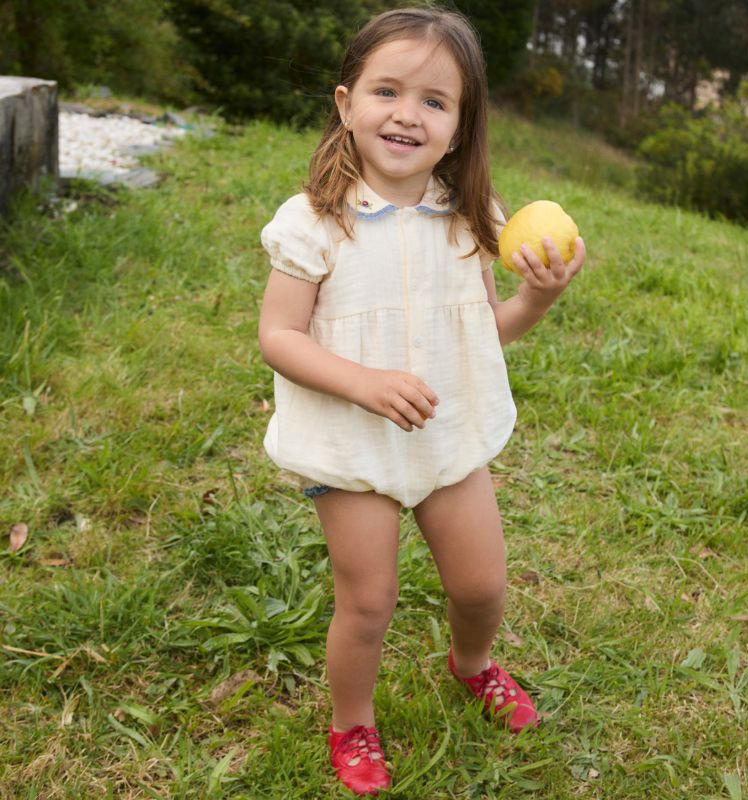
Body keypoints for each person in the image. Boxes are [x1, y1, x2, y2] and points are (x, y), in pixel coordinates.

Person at [258, 6, 586, 795]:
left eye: (435, 101)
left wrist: (535, 301)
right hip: (352, 450)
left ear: (459, 126)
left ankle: (471, 666)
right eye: (387, 91)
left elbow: (485, 332)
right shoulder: (313, 223)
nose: (408, 113)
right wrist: (363, 381)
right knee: (367, 604)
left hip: (446, 443)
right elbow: (279, 336)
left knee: (481, 586)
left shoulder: (471, 219)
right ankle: (352, 723)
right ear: (346, 104)